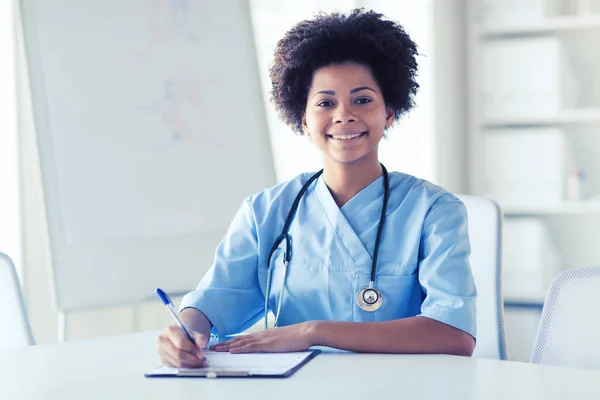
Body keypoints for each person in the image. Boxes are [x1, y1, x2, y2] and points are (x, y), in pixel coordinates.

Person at [157, 8, 476, 368]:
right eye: (326, 103)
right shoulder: (265, 211)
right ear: (304, 120)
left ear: (389, 113)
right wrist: (185, 332)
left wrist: (313, 331)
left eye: (363, 99)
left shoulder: (434, 210)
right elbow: (214, 299)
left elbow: (454, 335)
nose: (344, 115)